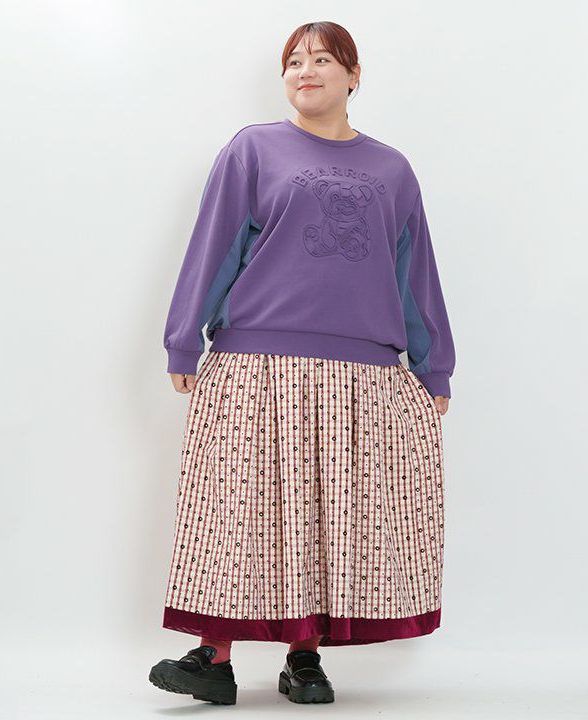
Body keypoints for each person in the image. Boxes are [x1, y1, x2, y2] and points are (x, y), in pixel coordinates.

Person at [149, 20, 456, 705]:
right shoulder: (253, 150)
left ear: (354, 75)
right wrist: (183, 337)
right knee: (238, 508)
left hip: (359, 373)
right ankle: (212, 656)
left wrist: (434, 363)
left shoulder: (392, 170)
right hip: (255, 361)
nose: (305, 70)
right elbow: (214, 246)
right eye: (293, 60)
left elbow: (413, 273)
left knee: (329, 514)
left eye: (322, 59)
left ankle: (305, 659)